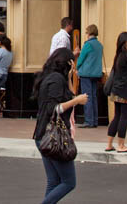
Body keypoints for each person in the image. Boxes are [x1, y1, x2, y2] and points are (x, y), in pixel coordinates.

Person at [33, 48, 87, 203]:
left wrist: (70, 77)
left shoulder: (52, 77)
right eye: (73, 63)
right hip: (53, 135)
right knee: (69, 182)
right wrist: (77, 101)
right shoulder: (56, 80)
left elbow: (67, 95)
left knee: (54, 181)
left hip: (43, 134)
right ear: (68, 63)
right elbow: (54, 108)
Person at [105, 31, 127, 153]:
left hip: (116, 90)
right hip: (126, 90)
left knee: (117, 116)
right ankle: (121, 145)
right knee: (124, 117)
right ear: (124, 42)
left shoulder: (118, 55)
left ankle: (109, 144)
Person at [75, 24, 103, 128]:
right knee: (94, 96)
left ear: (89, 33)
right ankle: (95, 120)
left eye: (86, 32)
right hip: (96, 74)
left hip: (86, 73)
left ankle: (88, 120)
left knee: (87, 97)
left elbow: (81, 58)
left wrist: (77, 68)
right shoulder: (100, 45)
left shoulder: (88, 45)